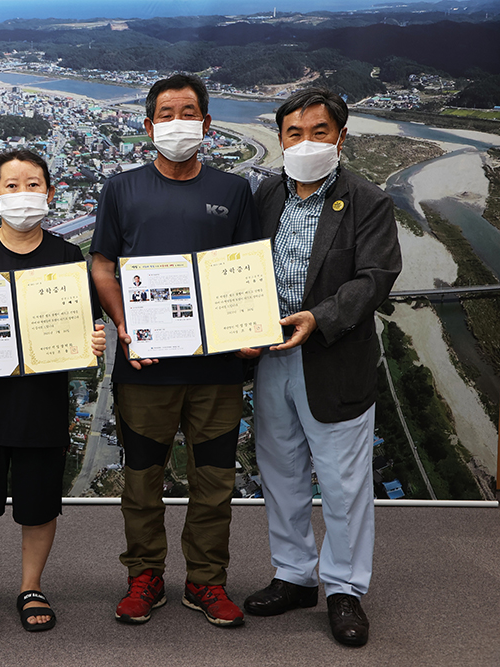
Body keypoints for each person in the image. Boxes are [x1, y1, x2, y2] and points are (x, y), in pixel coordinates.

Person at [90, 74, 260, 627]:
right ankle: (145, 576)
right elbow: (102, 264)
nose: (178, 122)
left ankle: (207, 582)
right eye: (167, 113)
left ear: (207, 125)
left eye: (190, 112)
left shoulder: (234, 191)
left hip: (217, 369)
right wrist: (123, 324)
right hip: (145, 367)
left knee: (214, 481)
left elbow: (248, 270)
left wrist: (250, 329)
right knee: (142, 481)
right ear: (148, 126)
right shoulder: (121, 188)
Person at [238, 88, 401, 647]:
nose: (305, 142)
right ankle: (293, 575)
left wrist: (320, 317)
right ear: (280, 139)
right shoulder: (265, 194)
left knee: (342, 482)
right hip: (270, 358)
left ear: (341, 137)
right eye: (293, 133)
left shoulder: (366, 200)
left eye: (319, 131)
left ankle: (345, 589)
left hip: (332, 356)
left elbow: (375, 278)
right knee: (280, 474)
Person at [0, 149, 106, 633]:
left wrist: (92, 341)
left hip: (42, 404)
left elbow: (82, 327)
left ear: (50, 194)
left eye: (33, 185)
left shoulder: (68, 258)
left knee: (39, 504)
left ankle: (32, 585)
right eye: (12, 185)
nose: (23, 195)